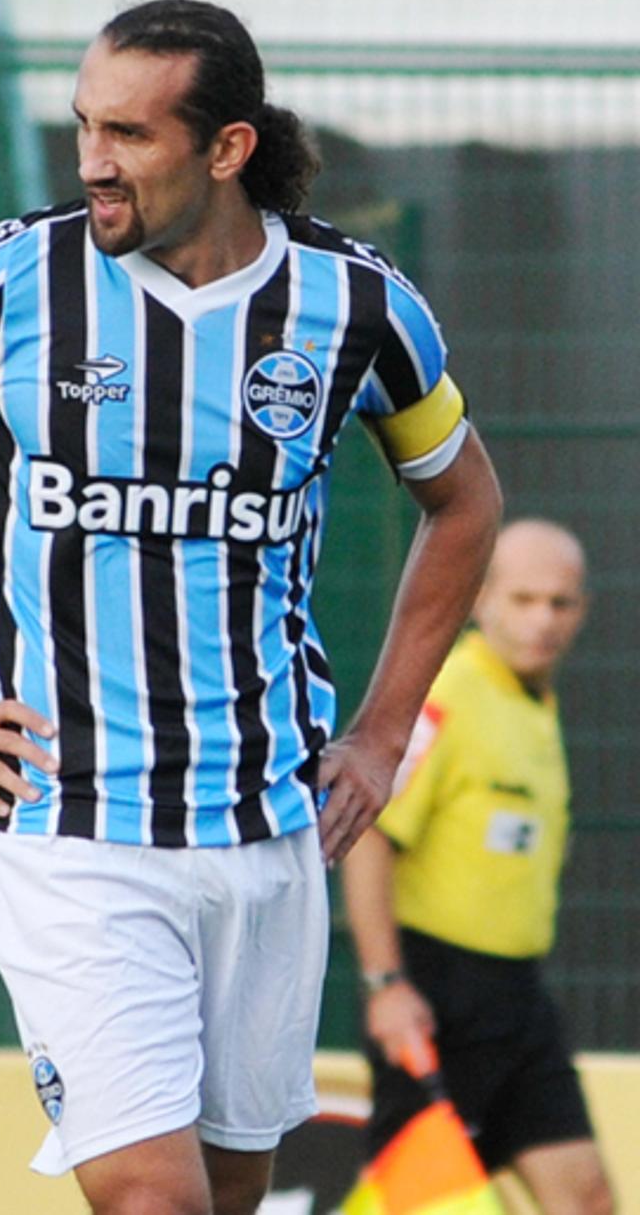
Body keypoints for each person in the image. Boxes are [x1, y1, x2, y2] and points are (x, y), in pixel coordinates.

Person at [0, 0, 502, 1215]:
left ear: (227, 149)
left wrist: (378, 732)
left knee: (229, 1197)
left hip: (269, 833)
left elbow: (464, 503)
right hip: (74, 831)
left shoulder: (354, 305)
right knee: (154, 1202)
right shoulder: (3, 283)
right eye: (84, 124)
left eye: (131, 135)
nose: (91, 159)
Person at [343, 521, 614, 1215]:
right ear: (480, 597)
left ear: (583, 608)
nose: (541, 621)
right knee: (420, 1204)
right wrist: (386, 984)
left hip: (521, 999)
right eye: (523, 599)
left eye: (559, 603)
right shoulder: (445, 695)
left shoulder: (534, 703)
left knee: (586, 1197)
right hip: (438, 996)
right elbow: (370, 837)